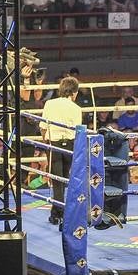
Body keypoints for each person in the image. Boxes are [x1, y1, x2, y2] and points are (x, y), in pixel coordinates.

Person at [40, 75, 83, 226]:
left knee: (57, 180)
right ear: (74, 92)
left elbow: (43, 127)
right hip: (70, 144)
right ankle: (57, 212)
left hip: (54, 143)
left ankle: (60, 212)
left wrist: (45, 141)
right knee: (64, 179)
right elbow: (78, 131)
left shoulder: (50, 104)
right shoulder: (77, 108)